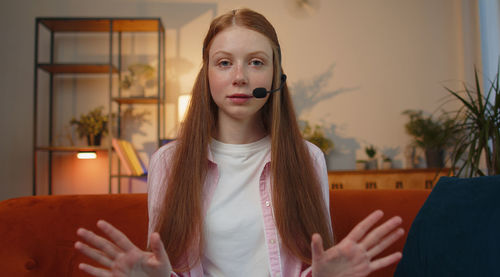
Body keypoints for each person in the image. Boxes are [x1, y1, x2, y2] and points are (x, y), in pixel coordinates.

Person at [74, 8, 404, 277]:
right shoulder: (167, 162)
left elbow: (315, 262)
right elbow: (167, 264)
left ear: (276, 76)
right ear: (207, 75)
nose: (240, 77)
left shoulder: (309, 158)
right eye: (224, 62)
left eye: (256, 62)